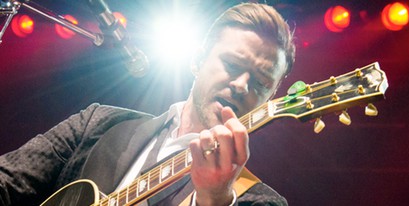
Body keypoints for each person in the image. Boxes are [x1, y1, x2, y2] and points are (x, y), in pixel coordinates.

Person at [0, 2, 295, 205]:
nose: (242, 85)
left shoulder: (260, 201)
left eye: (260, 83)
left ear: (268, 99)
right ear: (197, 61)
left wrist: (214, 201)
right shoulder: (97, 123)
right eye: (232, 64)